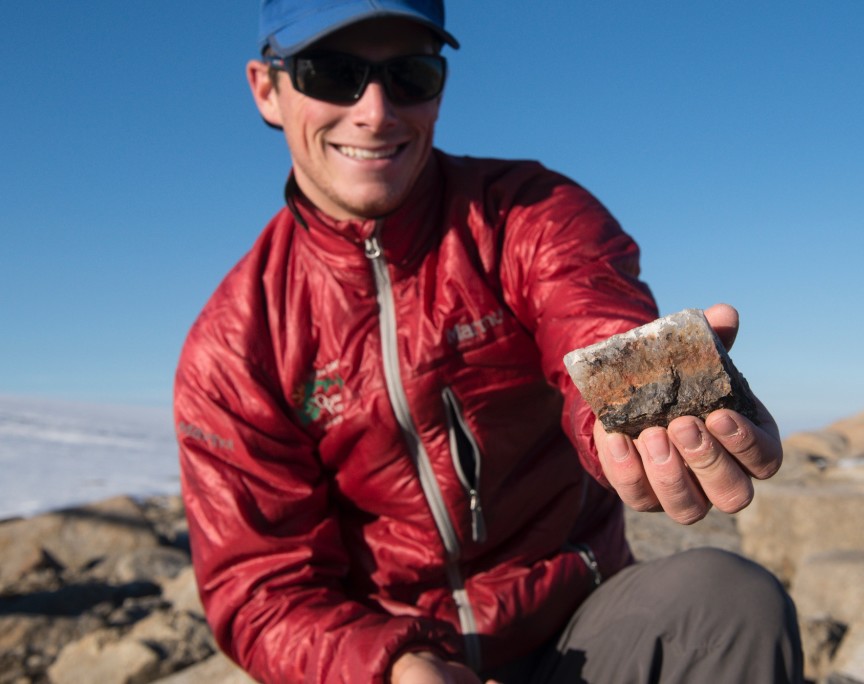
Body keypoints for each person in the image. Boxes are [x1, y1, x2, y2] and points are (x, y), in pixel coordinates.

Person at [174, 2, 804, 682]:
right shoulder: (235, 342)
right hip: (400, 659)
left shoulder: (529, 214)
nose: (376, 111)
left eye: (411, 74)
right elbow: (259, 584)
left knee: (726, 605)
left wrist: (644, 410)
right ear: (267, 89)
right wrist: (394, 666)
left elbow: (593, 317)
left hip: (573, 632)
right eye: (331, 73)